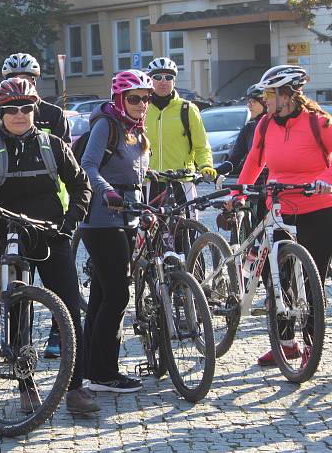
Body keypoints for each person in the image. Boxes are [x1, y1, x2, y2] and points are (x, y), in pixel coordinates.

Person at [0, 77, 95, 415]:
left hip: (50, 232)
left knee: (70, 308)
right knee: (17, 307)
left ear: (34, 110)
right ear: (0, 113)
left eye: (26, 108)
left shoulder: (52, 144)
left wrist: (72, 218)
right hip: (9, 231)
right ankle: (25, 382)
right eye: (11, 109)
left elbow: (80, 184)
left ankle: (75, 387)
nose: (19, 114)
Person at [231, 65, 332, 367]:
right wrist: (237, 193)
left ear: (287, 95)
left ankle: (312, 350)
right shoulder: (265, 125)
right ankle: (286, 345)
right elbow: (254, 162)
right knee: (276, 277)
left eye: (269, 93)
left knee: (312, 282)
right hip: (278, 206)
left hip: (318, 207)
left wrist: (326, 178)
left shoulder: (319, 122)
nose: (265, 99)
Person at [80, 70, 153, 394]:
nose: (142, 104)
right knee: (118, 293)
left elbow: (135, 174)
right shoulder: (105, 125)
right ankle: (106, 373)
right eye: (135, 98)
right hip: (101, 219)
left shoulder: (135, 131)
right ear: (119, 99)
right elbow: (88, 165)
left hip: (128, 218)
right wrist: (108, 192)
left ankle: (89, 369)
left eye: (146, 98)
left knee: (101, 295)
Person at [144, 57, 215, 206]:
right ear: (150, 80)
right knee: (146, 227)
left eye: (168, 77)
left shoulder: (188, 109)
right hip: (149, 181)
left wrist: (206, 166)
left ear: (174, 81)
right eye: (157, 77)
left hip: (182, 181)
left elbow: (201, 146)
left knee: (188, 227)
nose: (163, 81)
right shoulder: (141, 108)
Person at [224, 84, 268, 226]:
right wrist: (216, 171)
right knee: (257, 226)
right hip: (254, 185)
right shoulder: (249, 128)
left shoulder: (275, 125)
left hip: (275, 185)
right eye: (248, 102)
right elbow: (235, 159)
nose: (249, 106)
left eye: (253, 102)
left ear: (264, 102)